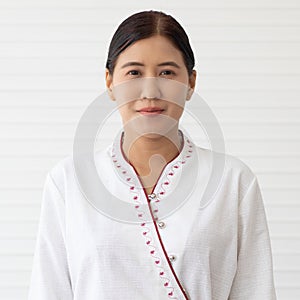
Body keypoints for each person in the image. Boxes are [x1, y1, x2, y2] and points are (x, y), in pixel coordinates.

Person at [28, 10, 277, 300]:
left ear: (191, 83)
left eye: (167, 73)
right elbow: (48, 291)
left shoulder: (233, 181)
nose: (150, 90)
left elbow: (255, 291)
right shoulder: (68, 181)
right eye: (134, 72)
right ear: (109, 82)